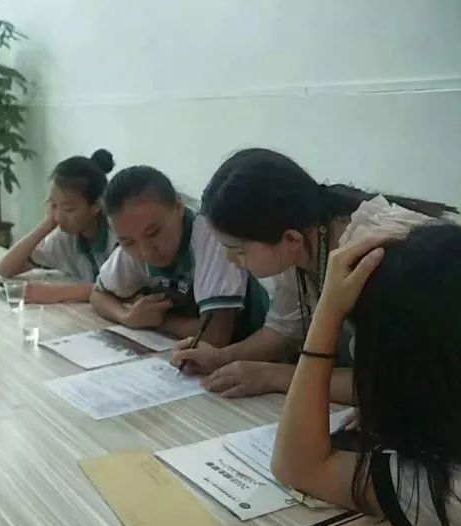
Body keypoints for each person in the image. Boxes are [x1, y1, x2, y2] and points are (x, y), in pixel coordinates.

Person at [271, 224, 461, 526]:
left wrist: (328, 310)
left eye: (364, 338)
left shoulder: (449, 490)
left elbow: (300, 466)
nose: (355, 351)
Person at [171, 148, 454, 399]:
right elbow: (285, 329)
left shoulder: (375, 258)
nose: (230, 260)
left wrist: (274, 376)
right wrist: (222, 357)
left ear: (290, 239)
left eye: (237, 250)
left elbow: (391, 386)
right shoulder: (306, 236)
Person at [91, 165, 268, 343]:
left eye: (154, 233)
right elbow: (98, 295)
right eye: (128, 242)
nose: (145, 252)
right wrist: (127, 316)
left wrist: (159, 321)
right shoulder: (135, 233)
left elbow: (214, 336)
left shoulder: (212, 236)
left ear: (178, 206)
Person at [0, 149, 117, 303]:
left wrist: (60, 292)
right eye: (53, 205)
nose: (59, 217)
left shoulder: (118, 233)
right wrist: (47, 224)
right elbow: (5, 269)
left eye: (68, 209)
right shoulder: (64, 236)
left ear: (97, 205)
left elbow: (119, 288)